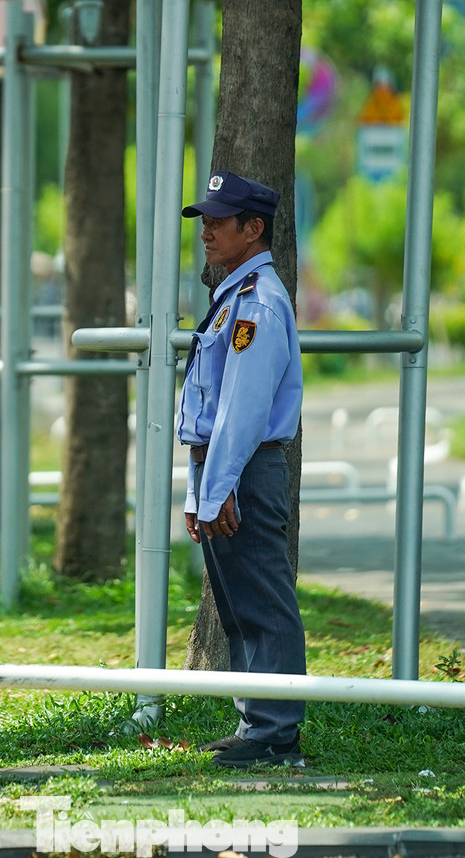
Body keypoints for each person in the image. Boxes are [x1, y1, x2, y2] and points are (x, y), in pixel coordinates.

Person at [178, 171, 306, 768]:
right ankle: (258, 721)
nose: (206, 232)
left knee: (263, 601)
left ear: (253, 229)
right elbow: (207, 408)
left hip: (244, 469)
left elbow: (242, 411)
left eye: (218, 222)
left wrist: (218, 487)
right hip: (226, 469)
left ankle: (277, 730)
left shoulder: (258, 302)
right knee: (238, 605)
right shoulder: (233, 295)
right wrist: (197, 486)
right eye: (205, 220)